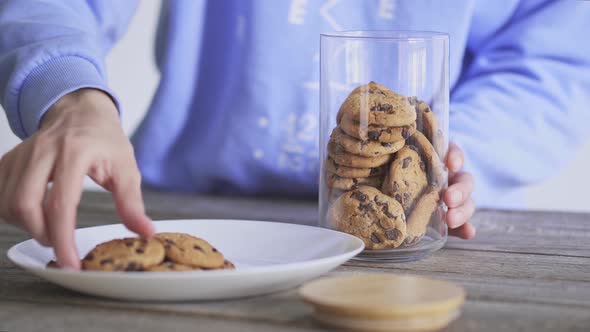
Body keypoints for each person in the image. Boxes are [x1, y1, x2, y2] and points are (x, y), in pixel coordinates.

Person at [0, 1, 588, 269]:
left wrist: (455, 153)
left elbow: (558, 60)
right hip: (184, 211)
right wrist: (73, 94)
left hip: (418, 250)